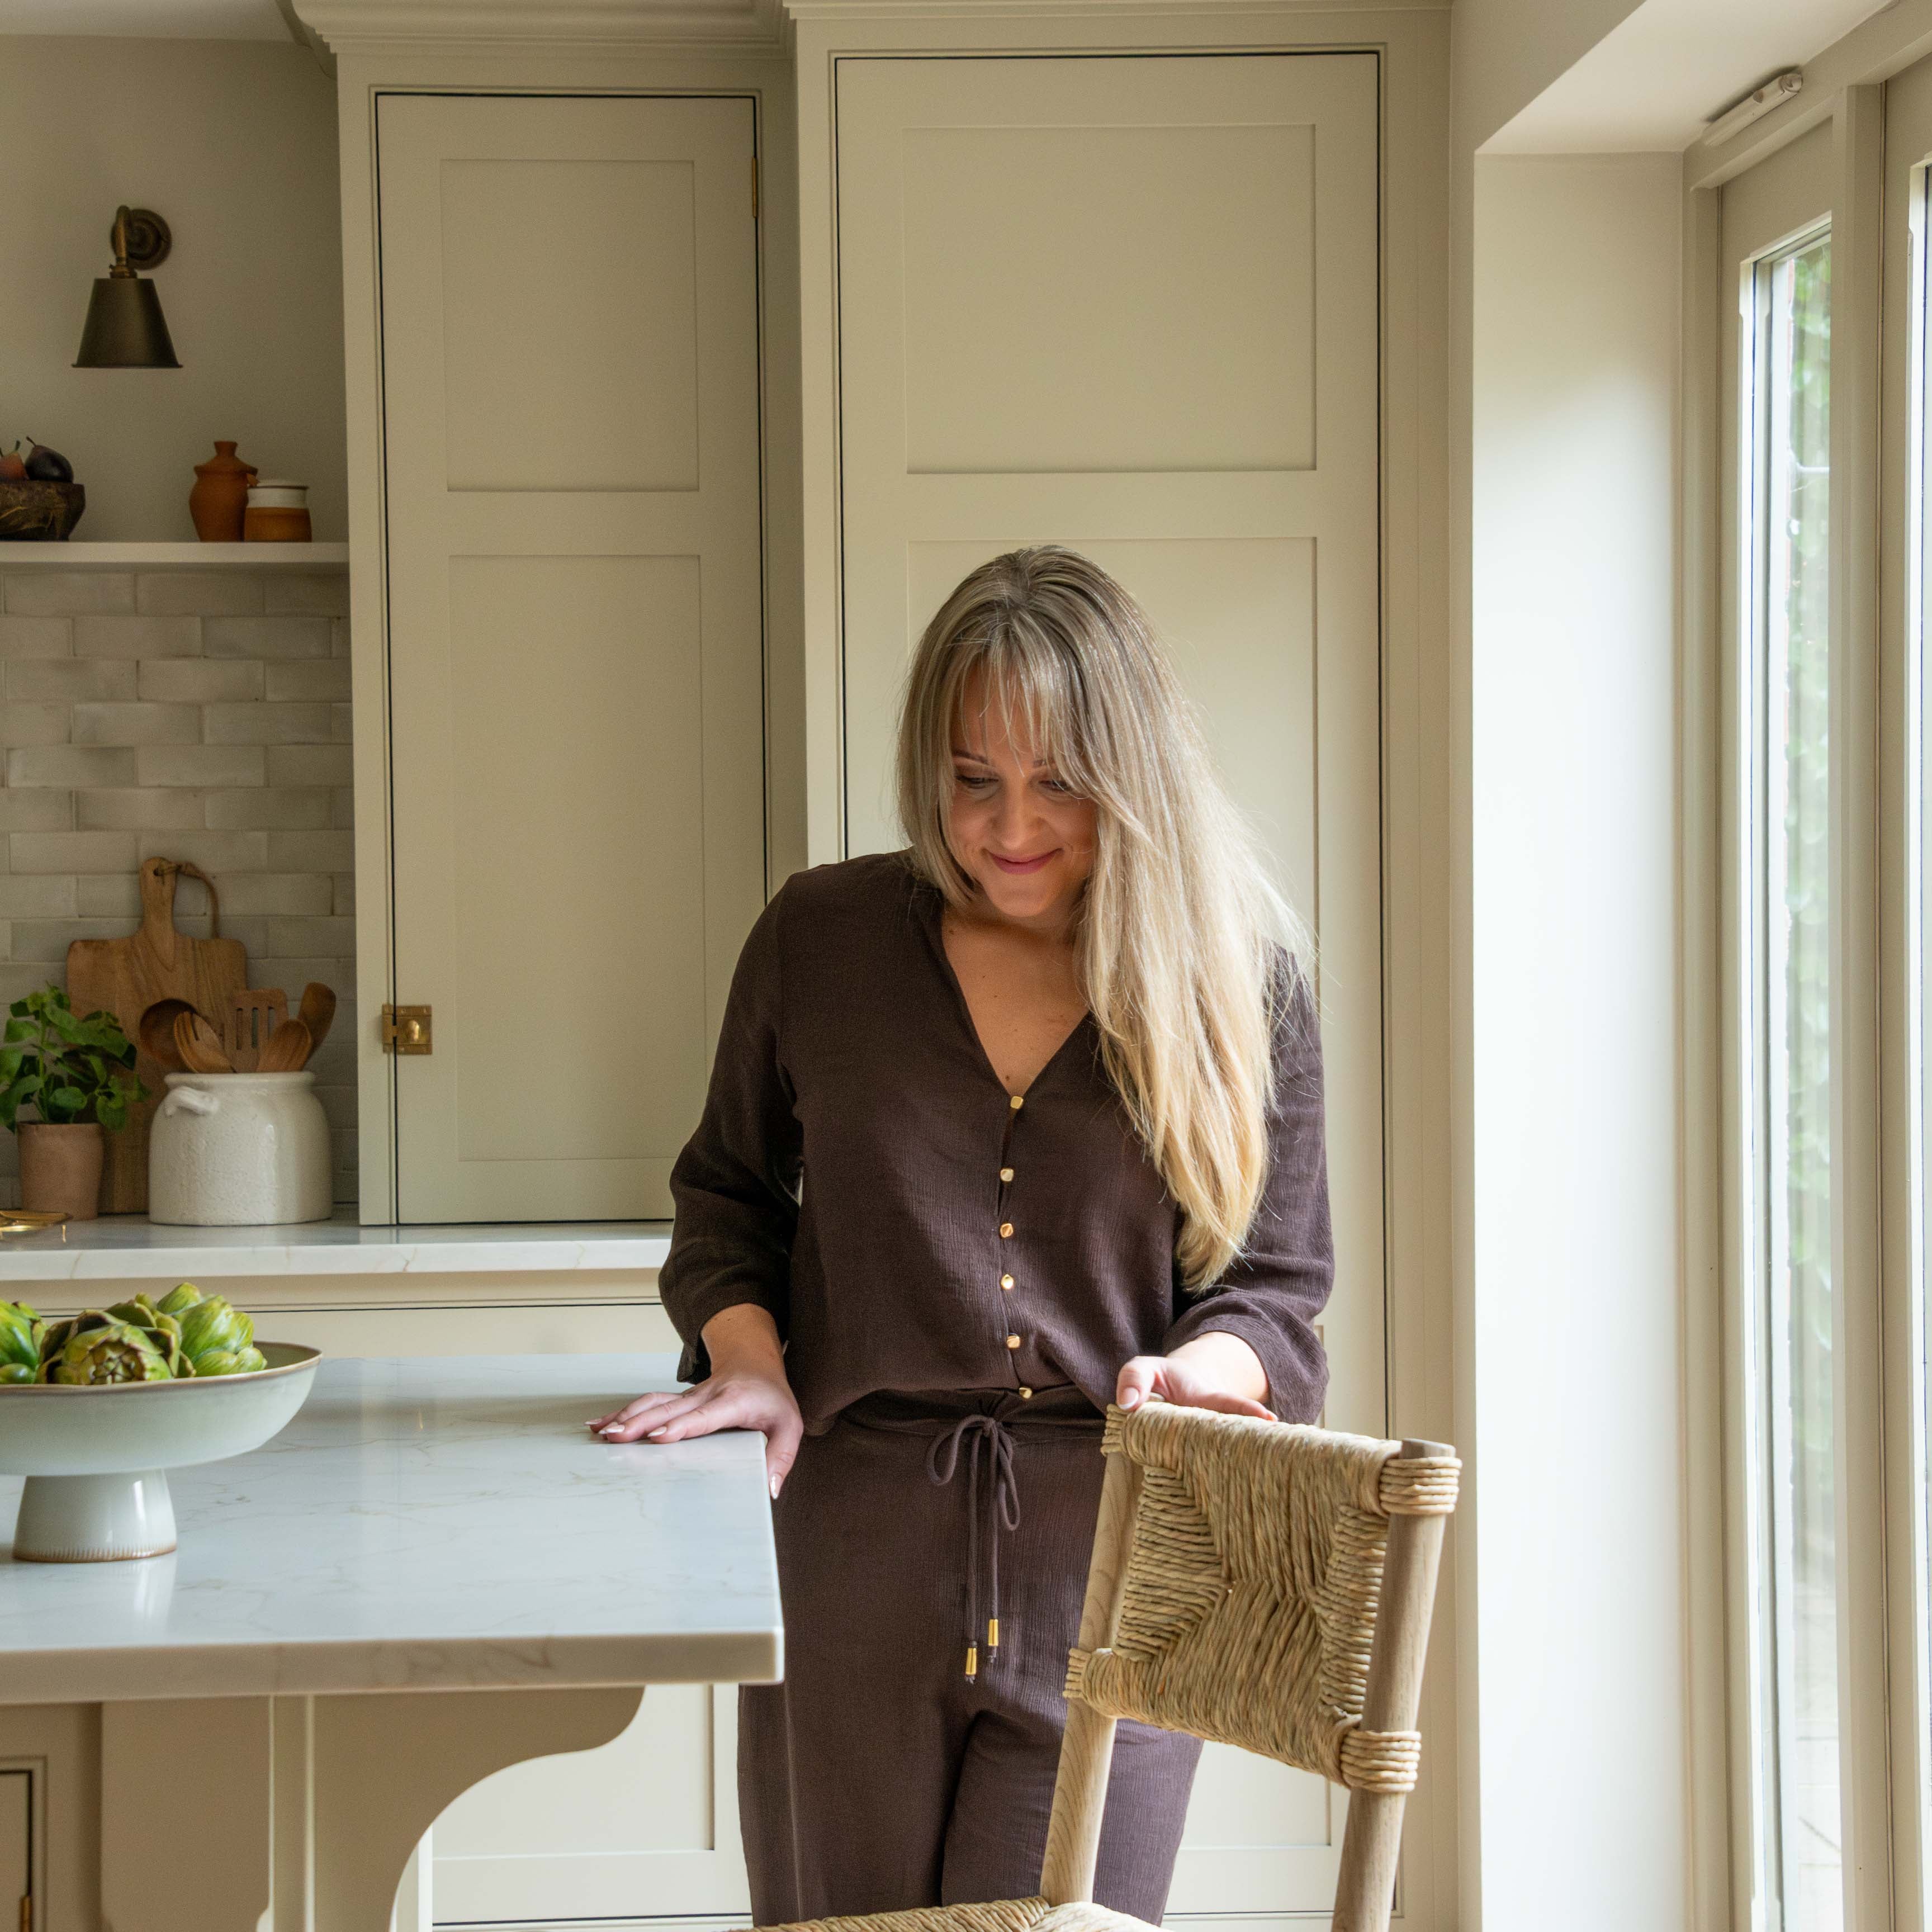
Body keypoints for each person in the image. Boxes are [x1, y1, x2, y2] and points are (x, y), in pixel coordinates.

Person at [590, 546, 1333, 1925]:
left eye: (1058, 781)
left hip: (1117, 1568)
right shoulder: (819, 938)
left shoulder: (1242, 977)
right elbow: (726, 1199)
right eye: (973, 777)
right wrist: (747, 1361)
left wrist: (1203, 1375)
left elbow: (1275, 1288)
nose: (1008, 827)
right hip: (847, 1561)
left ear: (1134, 772)